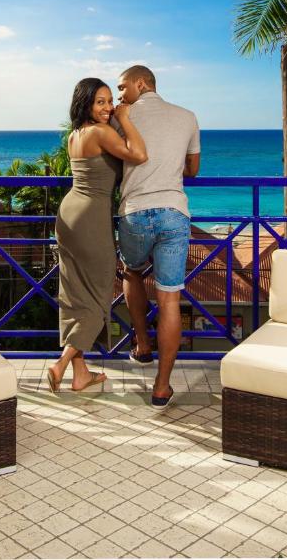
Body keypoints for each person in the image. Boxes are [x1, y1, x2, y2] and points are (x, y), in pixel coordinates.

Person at [48, 77, 148, 393]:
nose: (107, 107)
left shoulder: (75, 135)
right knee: (100, 291)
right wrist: (126, 118)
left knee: (75, 293)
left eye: (109, 101)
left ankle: (81, 374)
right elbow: (139, 154)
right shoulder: (101, 132)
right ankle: (61, 363)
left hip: (68, 215)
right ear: (86, 104)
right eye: (100, 102)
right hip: (91, 218)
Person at [115, 65, 200, 409]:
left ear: (141, 83)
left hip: (134, 211)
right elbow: (193, 170)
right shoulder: (188, 116)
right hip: (174, 211)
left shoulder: (122, 115)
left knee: (131, 271)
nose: (120, 95)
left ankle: (142, 344)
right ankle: (162, 387)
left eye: (122, 87)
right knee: (169, 300)